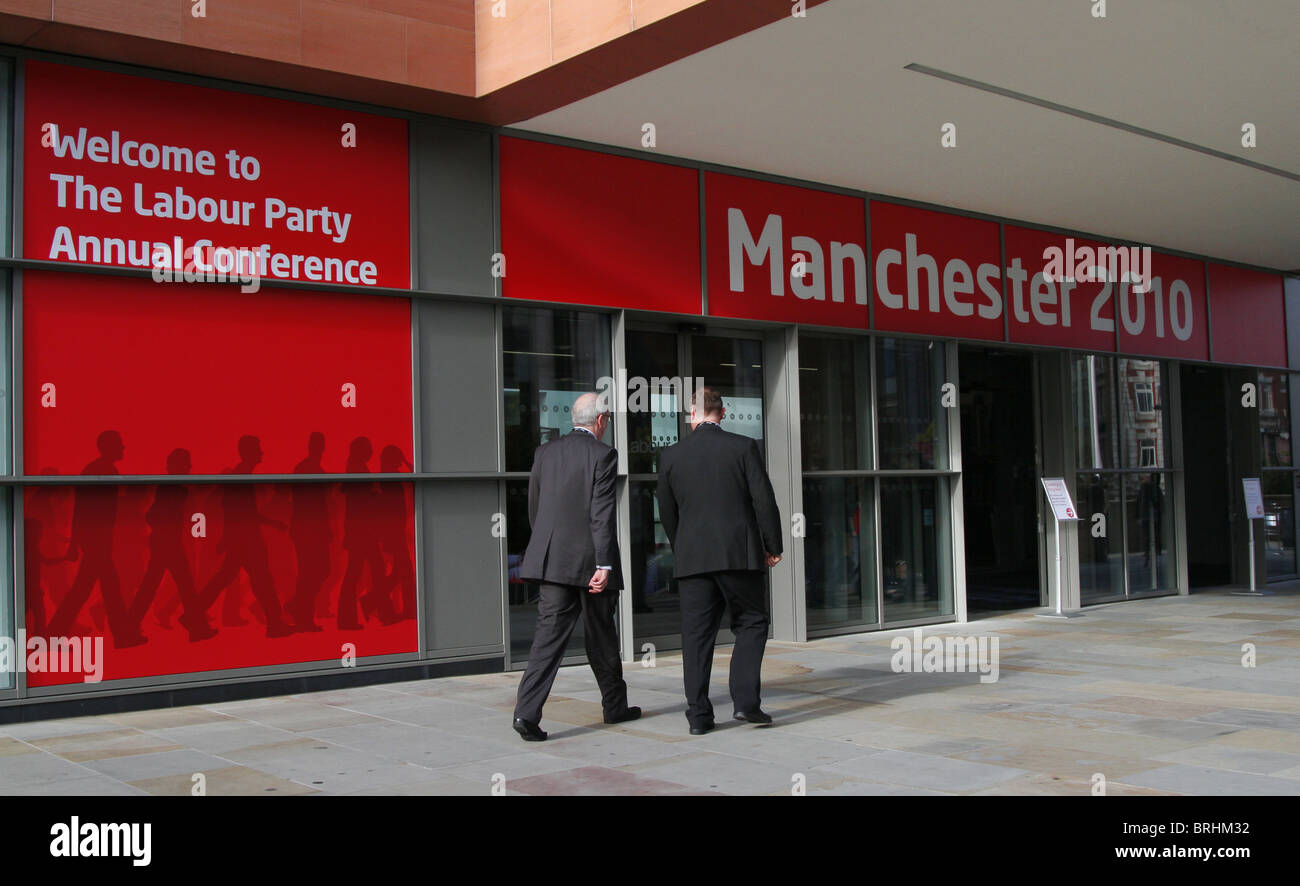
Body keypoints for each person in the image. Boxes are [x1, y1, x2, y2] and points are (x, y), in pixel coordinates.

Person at [512, 392, 640, 741]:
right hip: (589, 563)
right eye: (608, 419)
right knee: (601, 636)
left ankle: (526, 714)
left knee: (547, 639)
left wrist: (546, 547)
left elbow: (535, 506)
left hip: (551, 560)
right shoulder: (603, 454)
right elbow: (601, 513)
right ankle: (614, 706)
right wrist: (604, 563)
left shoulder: (545, 452)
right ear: (600, 421)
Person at [656, 387, 782, 735]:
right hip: (738, 555)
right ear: (722, 414)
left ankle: (699, 717)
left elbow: (667, 512)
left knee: (696, 637)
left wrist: (682, 545)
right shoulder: (743, 447)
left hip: (693, 557)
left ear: (692, 415)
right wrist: (772, 545)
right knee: (753, 622)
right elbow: (763, 501)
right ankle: (745, 704)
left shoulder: (671, 456)